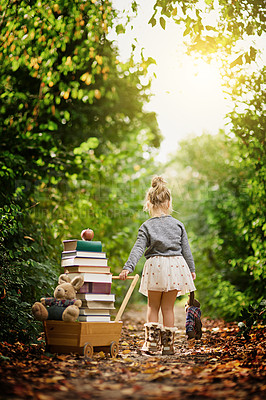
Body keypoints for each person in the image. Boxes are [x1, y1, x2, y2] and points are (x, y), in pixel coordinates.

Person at [119, 175, 196, 355]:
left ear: (149, 204)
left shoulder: (146, 226)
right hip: (175, 267)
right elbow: (186, 250)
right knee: (168, 307)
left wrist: (128, 266)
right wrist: (191, 269)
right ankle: (168, 346)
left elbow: (138, 248)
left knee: (153, 306)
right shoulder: (178, 225)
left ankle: (151, 344)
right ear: (169, 203)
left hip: (155, 267)